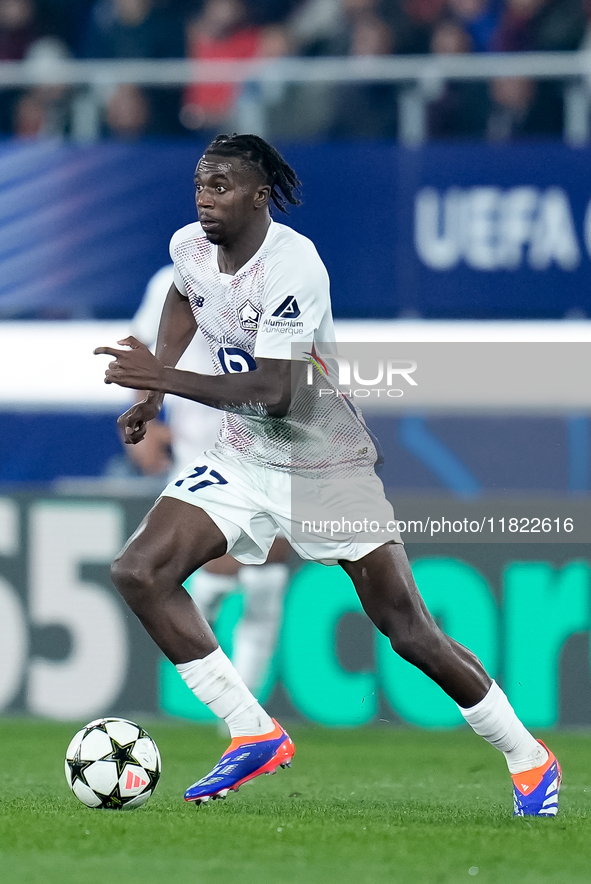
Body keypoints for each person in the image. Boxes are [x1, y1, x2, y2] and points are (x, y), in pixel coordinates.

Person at [95, 133, 560, 815]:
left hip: (323, 463)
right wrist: (152, 398)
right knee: (139, 570)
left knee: (408, 631)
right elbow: (181, 298)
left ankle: (528, 757)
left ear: (259, 197)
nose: (204, 197)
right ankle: (251, 730)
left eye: (221, 186)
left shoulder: (294, 266)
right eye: (199, 183)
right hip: (241, 455)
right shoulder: (189, 247)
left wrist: (163, 376)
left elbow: (277, 390)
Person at [127, 262, 291, 696]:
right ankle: (202, 625)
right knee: (217, 569)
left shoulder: (282, 273)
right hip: (201, 447)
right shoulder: (172, 279)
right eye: (206, 189)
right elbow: (146, 353)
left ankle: (248, 718)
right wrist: (144, 413)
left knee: (268, 576)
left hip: (274, 444)